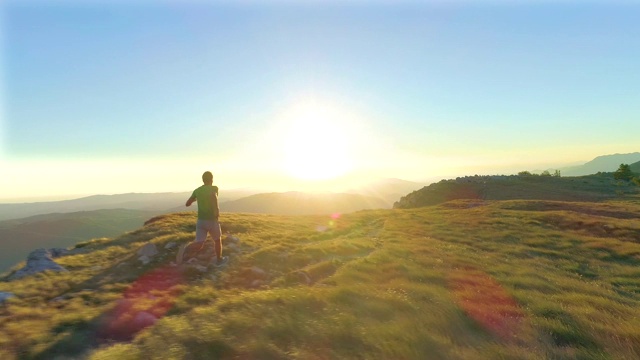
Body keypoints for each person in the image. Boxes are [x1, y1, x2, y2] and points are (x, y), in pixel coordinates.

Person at [177, 171, 227, 266]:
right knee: (217, 240)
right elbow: (214, 197)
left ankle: (186, 249)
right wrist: (217, 211)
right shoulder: (214, 188)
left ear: (203, 180)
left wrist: (197, 198)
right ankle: (219, 259)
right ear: (211, 179)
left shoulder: (197, 191)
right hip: (212, 220)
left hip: (201, 221)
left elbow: (187, 204)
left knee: (199, 243)